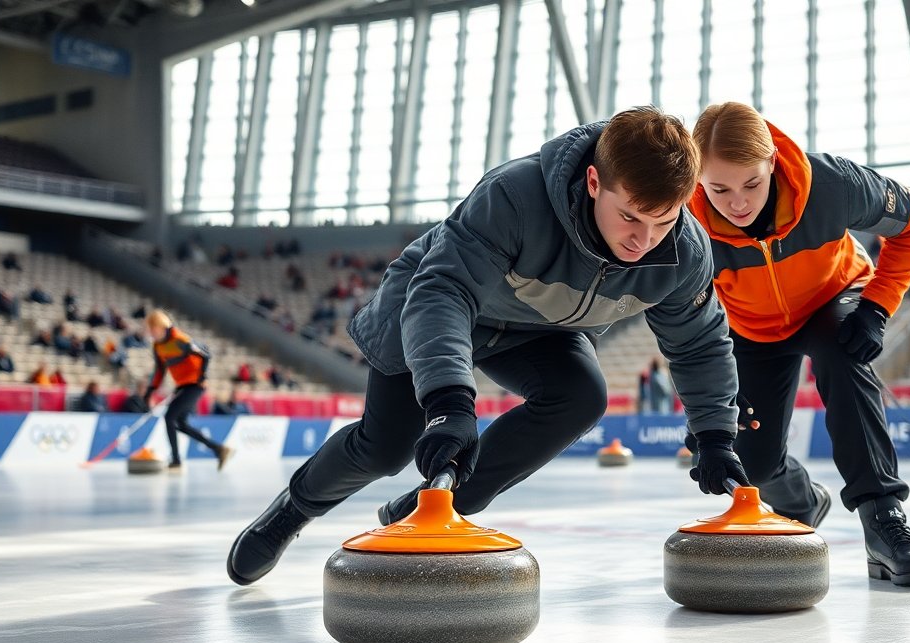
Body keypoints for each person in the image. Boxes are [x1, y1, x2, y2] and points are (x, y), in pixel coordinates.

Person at [227, 106, 748, 587]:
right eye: (630, 216)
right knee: (384, 447)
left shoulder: (684, 255)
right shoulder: (515, 196)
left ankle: (429, 510)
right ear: (594, 182)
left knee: (582, 395)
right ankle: (293, 510)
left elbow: (699, 344)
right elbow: (443, 293)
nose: (643, 241)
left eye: (664, 221)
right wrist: (450, 402)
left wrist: (715, 435)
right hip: (438, 305)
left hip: (537, 331)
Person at [688, 101, 910, 587]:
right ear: (699, 177)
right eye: (718, 188)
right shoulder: (684, 224)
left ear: (773, 164)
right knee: (753, 462)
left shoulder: (832, 184)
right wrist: (705, 414)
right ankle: (802, 498)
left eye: (752, 184)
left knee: (841, 355)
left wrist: (876, 306)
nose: (737, 203)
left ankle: (884, 522)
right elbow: (684, 318)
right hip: (749, 326)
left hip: (833, 298)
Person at [145, 310, 234, 472]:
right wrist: (150, 390)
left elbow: (205, 354)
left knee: (169, 417)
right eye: (150, 329)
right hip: (182, 386)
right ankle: (219, 449)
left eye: (153, 328)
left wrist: (202, 376)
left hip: (194, 386)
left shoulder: (180, 340)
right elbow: (159, 370)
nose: (151, 332)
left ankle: (176, 461)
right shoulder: (157, 346)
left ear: (162, 326)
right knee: (180, 423)